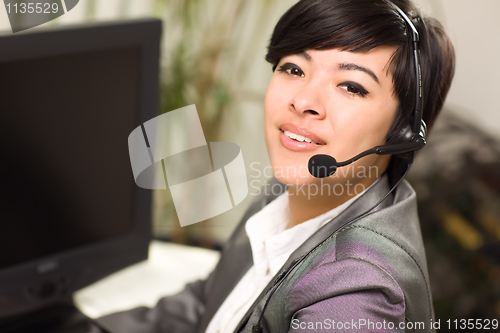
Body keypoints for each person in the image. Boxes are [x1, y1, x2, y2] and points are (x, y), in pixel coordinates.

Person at [91, 0, 455, 332]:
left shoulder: (357, 294)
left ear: (403, 131)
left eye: (351, 86)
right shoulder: (293, 192)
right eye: (294, 68)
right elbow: (205, 305)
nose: (304, 100)